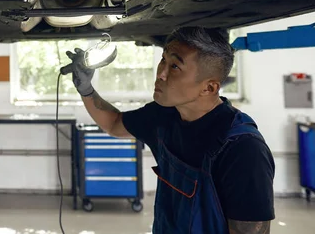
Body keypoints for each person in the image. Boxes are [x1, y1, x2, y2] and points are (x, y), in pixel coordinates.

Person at [67, 27, 275, 234]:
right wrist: (86, 88)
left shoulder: (243, 149)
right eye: (163, 60)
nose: (161, 74)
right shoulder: (164, 115)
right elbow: (114, 123)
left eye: (175, 66)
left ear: (209, 88)